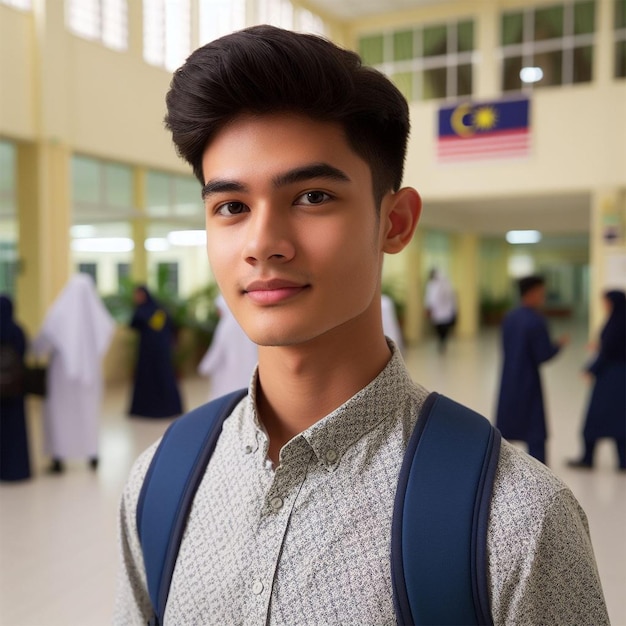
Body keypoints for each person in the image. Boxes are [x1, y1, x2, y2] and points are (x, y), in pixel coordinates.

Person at [114, 26, 608, 625]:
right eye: (232, 207)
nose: (263, 244)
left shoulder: (517, 520)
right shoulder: (160, 484)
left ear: (395, 222)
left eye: (313, 196)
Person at [32, 274, 115, 473]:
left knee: (60, 415)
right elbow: (107, 333)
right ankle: (92, 454)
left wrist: (34, 350)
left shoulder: (59, 313)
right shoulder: (98, 315)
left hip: (62, 377)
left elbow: (43, 342)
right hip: (90, 376)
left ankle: (59, 458)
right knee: (88, 414)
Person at [495, 275, 568, 465]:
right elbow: (543, 354)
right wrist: (559, 345)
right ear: (533, 293)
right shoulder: (536, 320)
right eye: (541, 293)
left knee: (507, 426)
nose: (543, 297)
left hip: (509, 377)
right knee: (534, 428)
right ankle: (540, 471)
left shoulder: (510, 317)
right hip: (528, 380)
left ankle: (502, 466)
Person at [568, 289, 626, 471]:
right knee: (620, 420)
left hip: (611, 377)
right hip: (620, 377)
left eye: (606, 302)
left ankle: (587, 458)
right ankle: (623, 461)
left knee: (595, 419)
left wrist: (590, 369)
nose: (604, 305)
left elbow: (609, 352)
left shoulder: (617, 323)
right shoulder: (619, 319)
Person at [128, 286, 183, 418]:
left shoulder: (157, 310)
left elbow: (170, 326)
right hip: (147, 354)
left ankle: (167, 408)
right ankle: (146, 409)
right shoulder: (149, 310)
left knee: (163, 377)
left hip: (160, 352)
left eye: (138, 295)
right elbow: (134, 324)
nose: (136, 298)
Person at [197, 293, 258, 400]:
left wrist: (204, 368)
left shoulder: (225, 325)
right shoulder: (249, 322)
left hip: (228, 377)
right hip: (250, 372)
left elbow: (217, 351)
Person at [0, 294, 32, 481]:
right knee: (17, 430)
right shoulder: (18, 331)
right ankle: (18, 470)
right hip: (15, 389)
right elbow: (23, 352)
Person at [424, 268, 457, 353]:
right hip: (440, 311)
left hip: (443, 311)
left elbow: (430, 298)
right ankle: (442, 341)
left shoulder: (443, 284)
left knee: (443, 328)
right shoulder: (434, 284)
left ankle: (442, 341)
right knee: (440, 327)